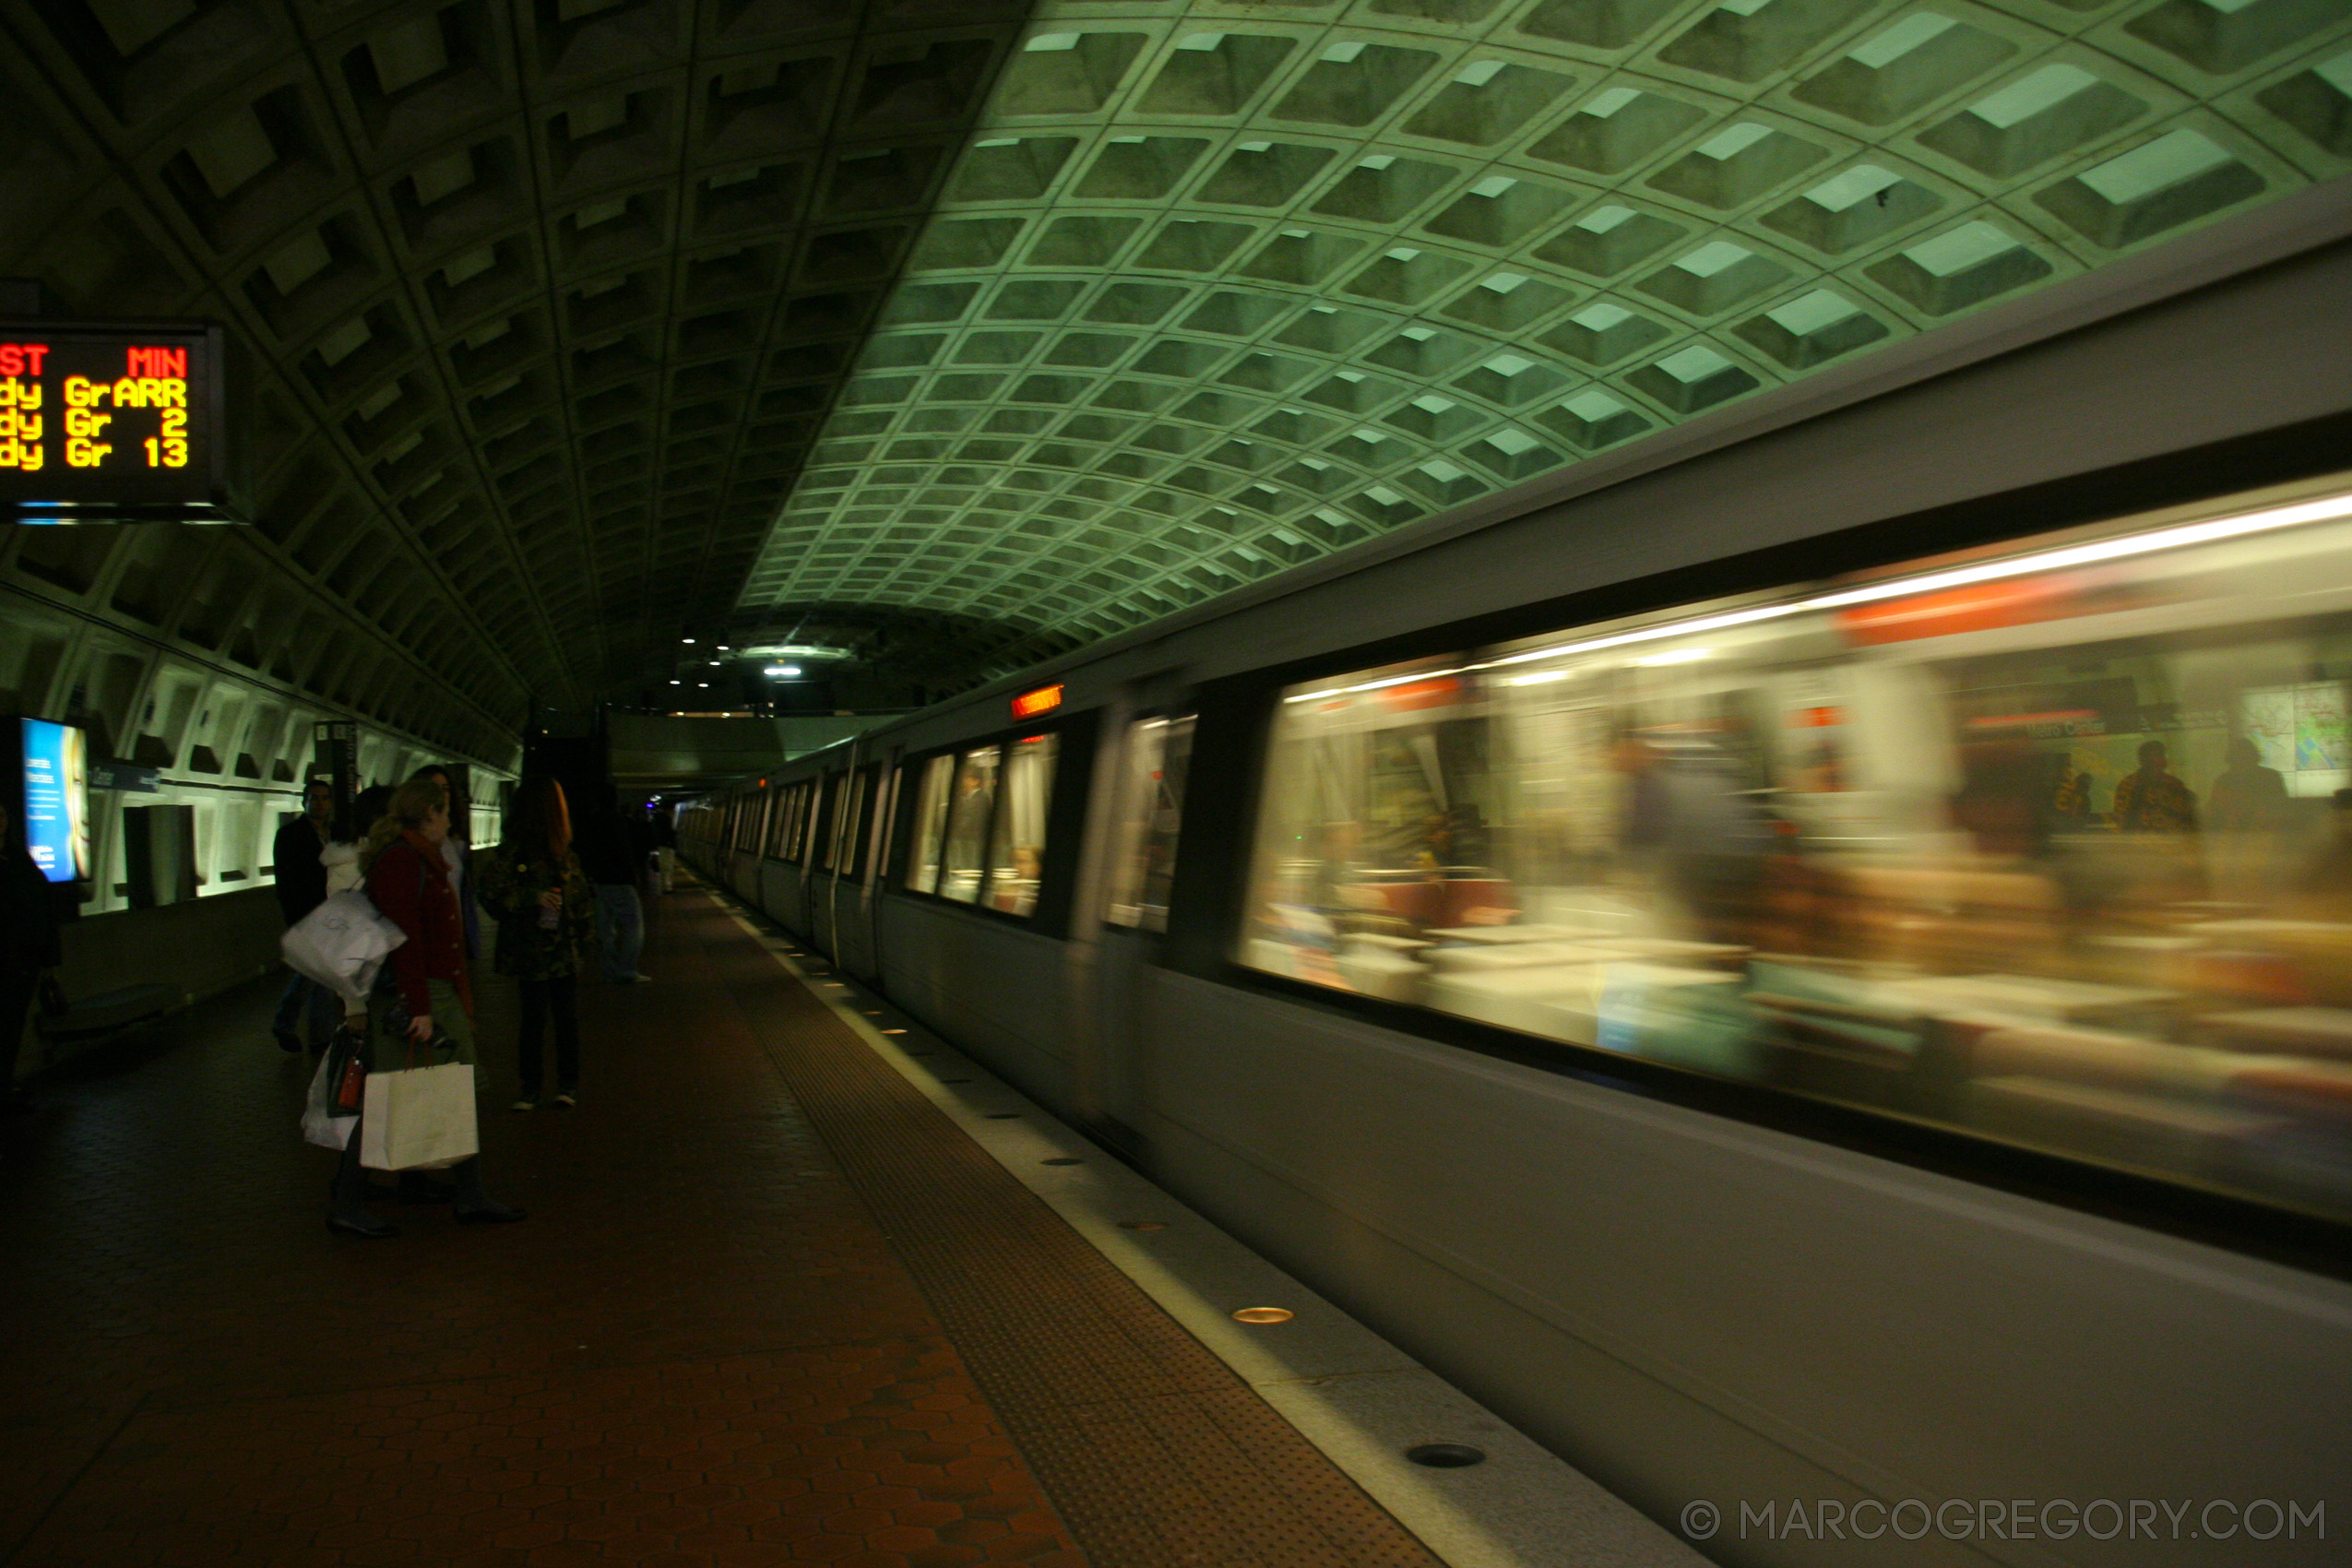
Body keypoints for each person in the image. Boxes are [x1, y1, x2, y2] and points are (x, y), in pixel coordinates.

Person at [328, 777, 525, 1238]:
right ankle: (347, 1201)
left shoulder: (414, 856)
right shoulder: (402, 861)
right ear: (427, 815)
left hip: (434, 992)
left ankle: (468, 1193)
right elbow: (406, 939)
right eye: (445, 812)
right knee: (389, 1099)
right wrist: (419, 1006)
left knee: (447, 1089)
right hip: (421, 995)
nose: (450, 821)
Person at [475, 777, 595, 1111]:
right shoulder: (515, 853)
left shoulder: (565, 855)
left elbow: (582, 900)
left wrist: (582, 941)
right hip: (534, 952)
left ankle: (558, 1085)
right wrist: (533, 898)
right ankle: (536, 1085)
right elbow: (491, 895)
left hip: (558, 951)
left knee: (560, 1019)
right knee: (537, 1020)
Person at [269, 778, 341, 1054]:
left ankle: (287, 1024)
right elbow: (285, 882)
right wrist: (295, 919)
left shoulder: (335, 834)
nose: (319, 802)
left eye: (324, 798)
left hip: (333, 912)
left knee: (314, 973)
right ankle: (318, 1037)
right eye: (314, 797)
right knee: (318, 973)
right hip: (306, 913)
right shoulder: (290, 835)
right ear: (304, 801)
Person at [0, 802, 62, 1115]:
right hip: (11, 961)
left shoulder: (18, 860)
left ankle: (6, 1085)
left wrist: (48, 958)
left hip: (23, 963)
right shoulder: (17, 864)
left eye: (2, 814)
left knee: (12, 1027)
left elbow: (43, 907)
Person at [573, 786, 651, 983]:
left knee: (604, 930)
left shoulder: (589, 823)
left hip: (598, 882)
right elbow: (624, 853)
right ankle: (627, 970)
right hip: (621, 882)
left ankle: (609, 970)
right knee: (634, 926)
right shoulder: (618, 822)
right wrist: (633, 877)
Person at [410, 765, 479, 962]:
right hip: (428, 945)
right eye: (434, 787)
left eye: (445, 788)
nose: (441, 794)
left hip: (454, 940)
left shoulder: (454, 844)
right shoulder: (410, 844)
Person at [2110, 741, 2197, 833]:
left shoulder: (2174, 784)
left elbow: (2188, 816)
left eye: (2160, 755)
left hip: (2172, 841)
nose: (2156, 760)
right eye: (2152, 757)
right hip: (2140, 842)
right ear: (2142, 760)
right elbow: (2121, 818)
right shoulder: (2128, 785)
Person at [649, 802, 677, 895]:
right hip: (666, 846)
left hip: (661, 845)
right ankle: (666, 887)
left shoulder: (657, 819)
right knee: (667, 867)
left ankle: (664, 886)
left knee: (663, 867)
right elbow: (669, 833)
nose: (673, 812)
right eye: (672, 810)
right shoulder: (666, 820)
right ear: (668, 810)